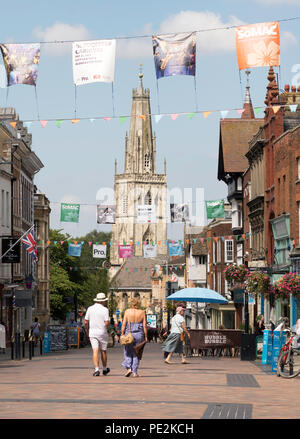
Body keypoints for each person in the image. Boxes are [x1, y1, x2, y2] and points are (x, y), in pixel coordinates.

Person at [84, 292, 110, 377]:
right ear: (103, 301)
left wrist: (87, 330)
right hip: (102, 332)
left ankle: (96, 369)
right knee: (103, 351)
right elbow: (106, 322)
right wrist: (103, 326)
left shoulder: (90, 309)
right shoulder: (105, 310)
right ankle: (105, 368)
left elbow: (85, 321)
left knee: (95, 350)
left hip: (93, 332)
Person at [121, 298, 148, 378]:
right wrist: (146, 336)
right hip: (139, 334)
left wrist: (122, 334)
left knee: (128, 351)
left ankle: (129, 368)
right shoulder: (142, 312)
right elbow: (144, 325)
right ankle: (135, 372)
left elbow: (123, 324)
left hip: (129, 334)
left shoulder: (127, 311)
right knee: (137, 352)